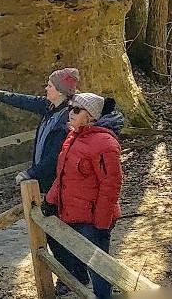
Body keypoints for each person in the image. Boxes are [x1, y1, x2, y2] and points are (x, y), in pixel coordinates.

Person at [45, 92, 123, 299]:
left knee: (99, 269)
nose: (70, 113)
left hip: (93, 220)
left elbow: (111, 185)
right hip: (72, 214)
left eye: (77, 110)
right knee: (78, 262)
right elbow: (62, 176)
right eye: (70, 108)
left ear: (91, 116)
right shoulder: (73, 137)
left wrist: (101, 222)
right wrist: (50, 200)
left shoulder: (105, 143)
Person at [0, 67, 83, 194]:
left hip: (56, 183)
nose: (46, 89)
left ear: (60, 91)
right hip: (47, 180)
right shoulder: (50, 107)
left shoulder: (67, 121)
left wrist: (30, 173)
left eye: (50, 86)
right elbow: (24, 101)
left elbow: (54, 157)